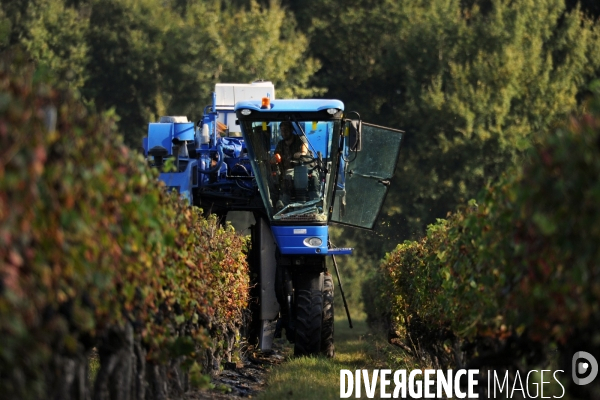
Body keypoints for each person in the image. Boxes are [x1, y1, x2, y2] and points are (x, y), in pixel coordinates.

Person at [270, 121, 312, 208]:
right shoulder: (280, 144)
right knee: (286, 177)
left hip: (302, 171)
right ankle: (282, 204)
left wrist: (302, 153)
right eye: (282, 131)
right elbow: (275, 156)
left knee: (313, 178)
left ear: (291, 130)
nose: (284, 133)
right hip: (285, 174)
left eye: (286, 130)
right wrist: (274, 159)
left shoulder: (300, 139)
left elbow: (304, 148)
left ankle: (315, 202)